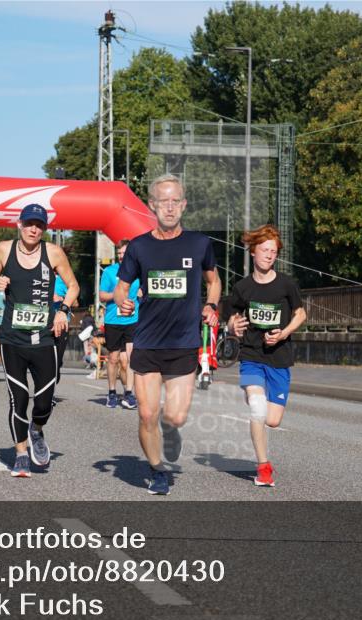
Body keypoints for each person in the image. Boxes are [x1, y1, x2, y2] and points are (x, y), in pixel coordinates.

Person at [113, 173, 221, 495]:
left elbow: (213, 282)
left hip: (183, 342)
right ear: (152, 206)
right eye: (164, 201)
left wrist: (212, 305)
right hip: (146, 341)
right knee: (147, 413)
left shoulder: (199, 244)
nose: (170, 207)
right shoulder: (139, 246)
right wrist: (124, 301)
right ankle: (157, 469)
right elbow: (121, 289)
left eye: (176, 201)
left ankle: (170, 430)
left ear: (184, 205)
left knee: (173, 417)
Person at [0, 203, 78, 478]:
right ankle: (21, 453)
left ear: (44, 229)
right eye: (29, 224)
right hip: (12, 338)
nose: (33, 229)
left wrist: (63, 311)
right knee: (19, 397)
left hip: (44, 338)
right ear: (20, 225)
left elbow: (73, 286)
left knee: (45, 401)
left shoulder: (53, 252)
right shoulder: (4, 249)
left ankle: (36, 430)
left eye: (39, 225)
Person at [226, 224, 306, 487]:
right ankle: (263, 468)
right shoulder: (243, 287)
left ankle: (256, 394)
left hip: (279, 359)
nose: (269, 255)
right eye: (264, 250)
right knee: (258, 409)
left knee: (272, 420)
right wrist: (231, 326)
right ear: (253, 252)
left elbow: (301, 314)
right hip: (251, 356)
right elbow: (231, 317)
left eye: (273, 251)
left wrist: (284, 334)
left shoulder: (286, 285)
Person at [98, 239, 139, 409]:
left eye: (125, 253)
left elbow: (146, 289)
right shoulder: (109, 272)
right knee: (113, 358)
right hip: (113, 320)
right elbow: (102, 296)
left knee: (130, 358)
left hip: (133, 319)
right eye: (119, 254)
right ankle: (112, 392)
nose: (122, 256)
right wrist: (116, 295)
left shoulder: (139, 271)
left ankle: (129, 394)